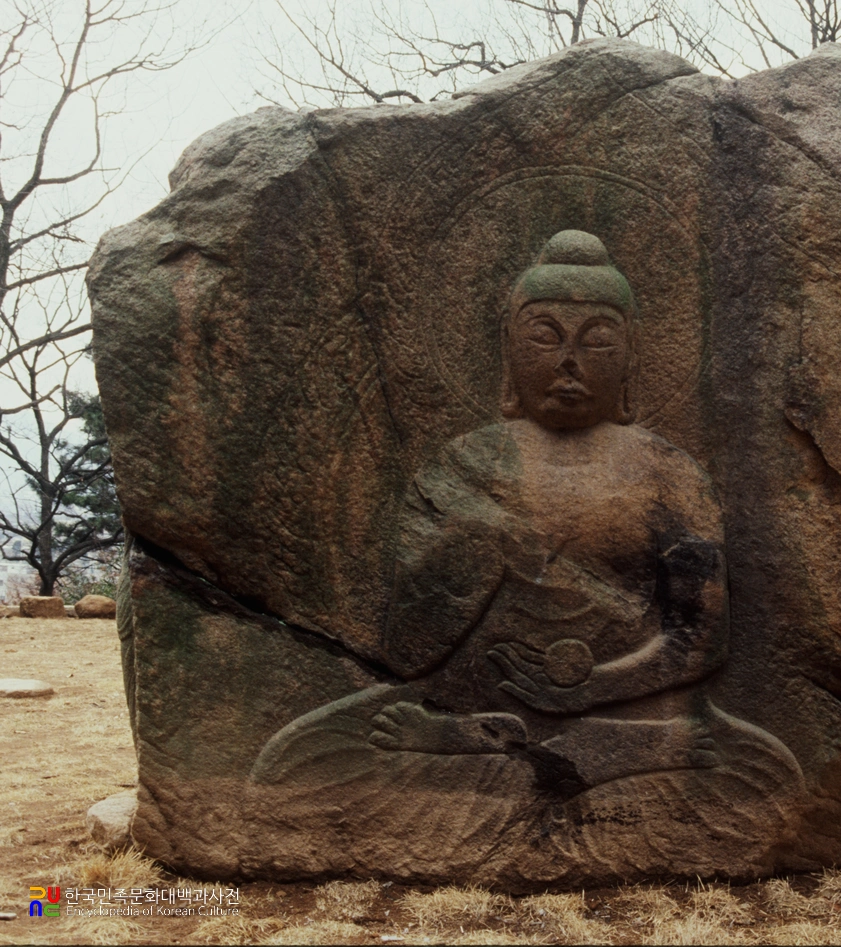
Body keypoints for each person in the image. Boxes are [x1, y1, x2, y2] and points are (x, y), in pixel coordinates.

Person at [249, 231, 800, 879]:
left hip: (630, 708)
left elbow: (701, 640)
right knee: (297, 766)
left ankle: (581, 749)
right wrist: (482, 547)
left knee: (766, 781)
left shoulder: (667, 471)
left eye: (596, 340)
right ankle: (505, 743)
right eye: (544, 337)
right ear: (509, 353)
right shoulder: (464, 464)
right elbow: (406, 647)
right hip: (464, 707)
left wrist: (594, 686)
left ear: (630, 358)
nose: (569, 361)